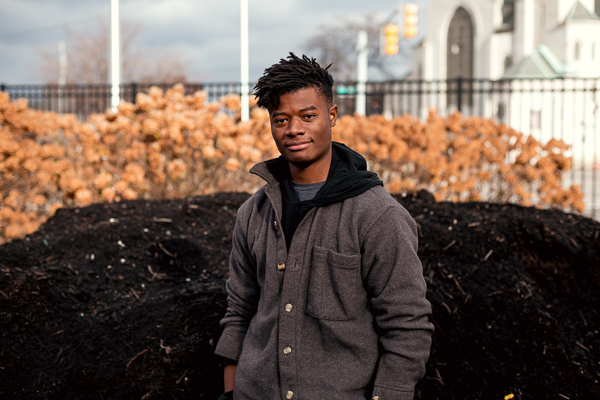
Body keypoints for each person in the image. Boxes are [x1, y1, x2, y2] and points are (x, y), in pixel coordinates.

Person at [214, 53, 433, 400]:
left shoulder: (377, 216)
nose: (294, 129)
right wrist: (231, 391)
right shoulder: (253, 214)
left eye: (308, 116)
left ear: (331, 116)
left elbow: (407, 326)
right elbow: (239, 311)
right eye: (281, 119)